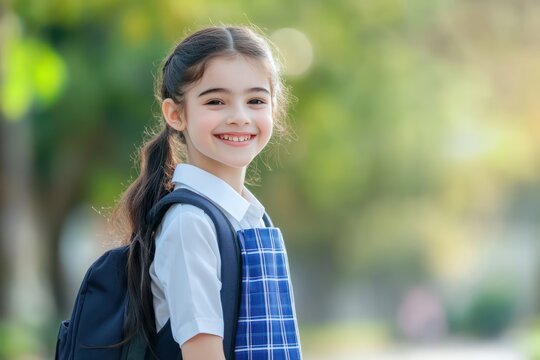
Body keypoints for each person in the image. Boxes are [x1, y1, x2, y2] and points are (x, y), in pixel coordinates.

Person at [112, 25, 302, 359]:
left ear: (274, 107)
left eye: (256, 100)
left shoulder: (250, 219)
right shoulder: (190, 224)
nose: (239, 117)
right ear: (176, 114)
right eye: (216, 101)